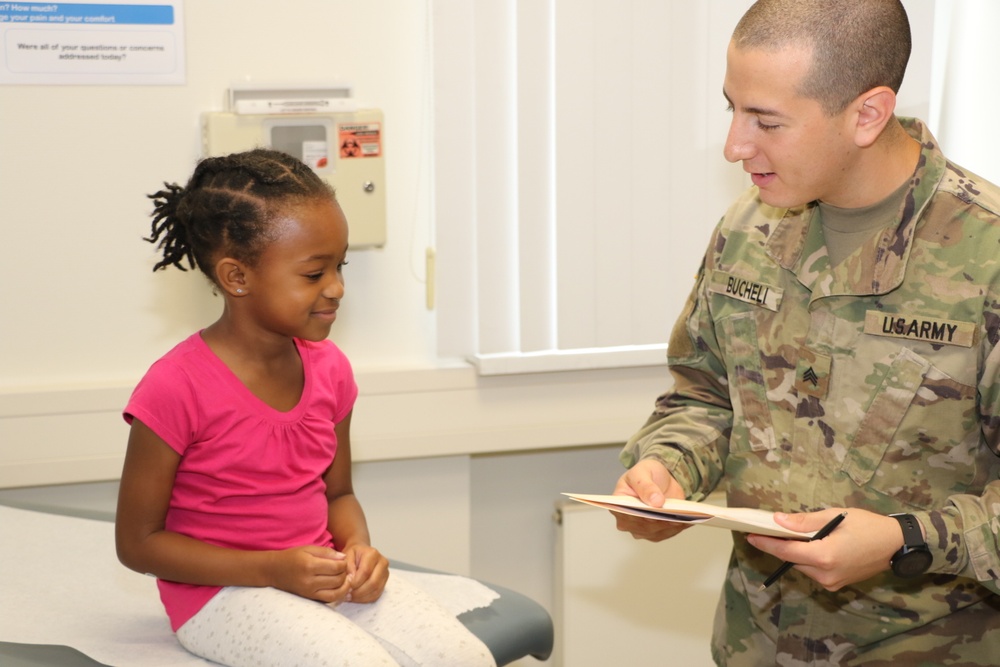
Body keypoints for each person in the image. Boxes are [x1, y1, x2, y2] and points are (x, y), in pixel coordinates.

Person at [613, 1, 1000, 665]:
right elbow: (705, 397)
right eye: (731, 108)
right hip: (754, 641)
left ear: (868, 114)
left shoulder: (986, 257)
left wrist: (906, 537)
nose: (735, 144)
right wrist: (666, 470)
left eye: (766, 121)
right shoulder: (749, 230)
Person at [115, 148, 495, 667]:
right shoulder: (175, 387)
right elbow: (138, 544)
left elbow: (338, 494)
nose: (337, 288)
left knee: (463, 657)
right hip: (218, 594)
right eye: (314, 274)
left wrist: (358, 548)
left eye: (340, 266)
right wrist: (273, 569)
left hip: (319, 577)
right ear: (237, 277)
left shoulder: (330, 369)